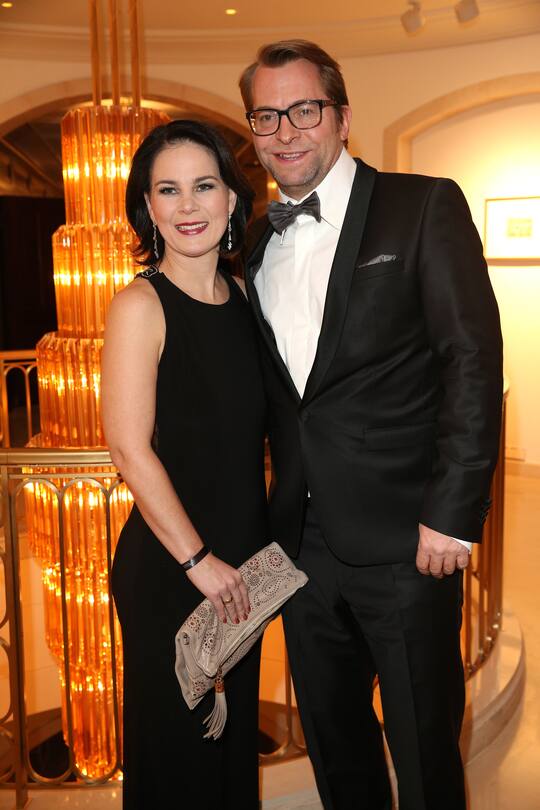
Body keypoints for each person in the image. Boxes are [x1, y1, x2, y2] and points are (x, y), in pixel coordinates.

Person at [239, 40, 503, 810]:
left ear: (343, 116)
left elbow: (472, 363)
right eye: (266, 115)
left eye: (304, 110)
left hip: (408, 544)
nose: (285, 131)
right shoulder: (256, 241)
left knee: (424, 753)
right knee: (335, 750)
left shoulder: (423, 206)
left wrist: (452, 518)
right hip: (301, 549)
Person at [101, 119, 267, 810]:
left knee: (227, 763)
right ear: (148, 207)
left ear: (232, 199)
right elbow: (128, 450)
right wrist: (199, 562)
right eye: (168, 190)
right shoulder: (141, 305)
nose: (189, 206)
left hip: (244, 577)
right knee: (177, 764)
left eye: (205, 185)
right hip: (175, 570)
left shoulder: (247, 300)